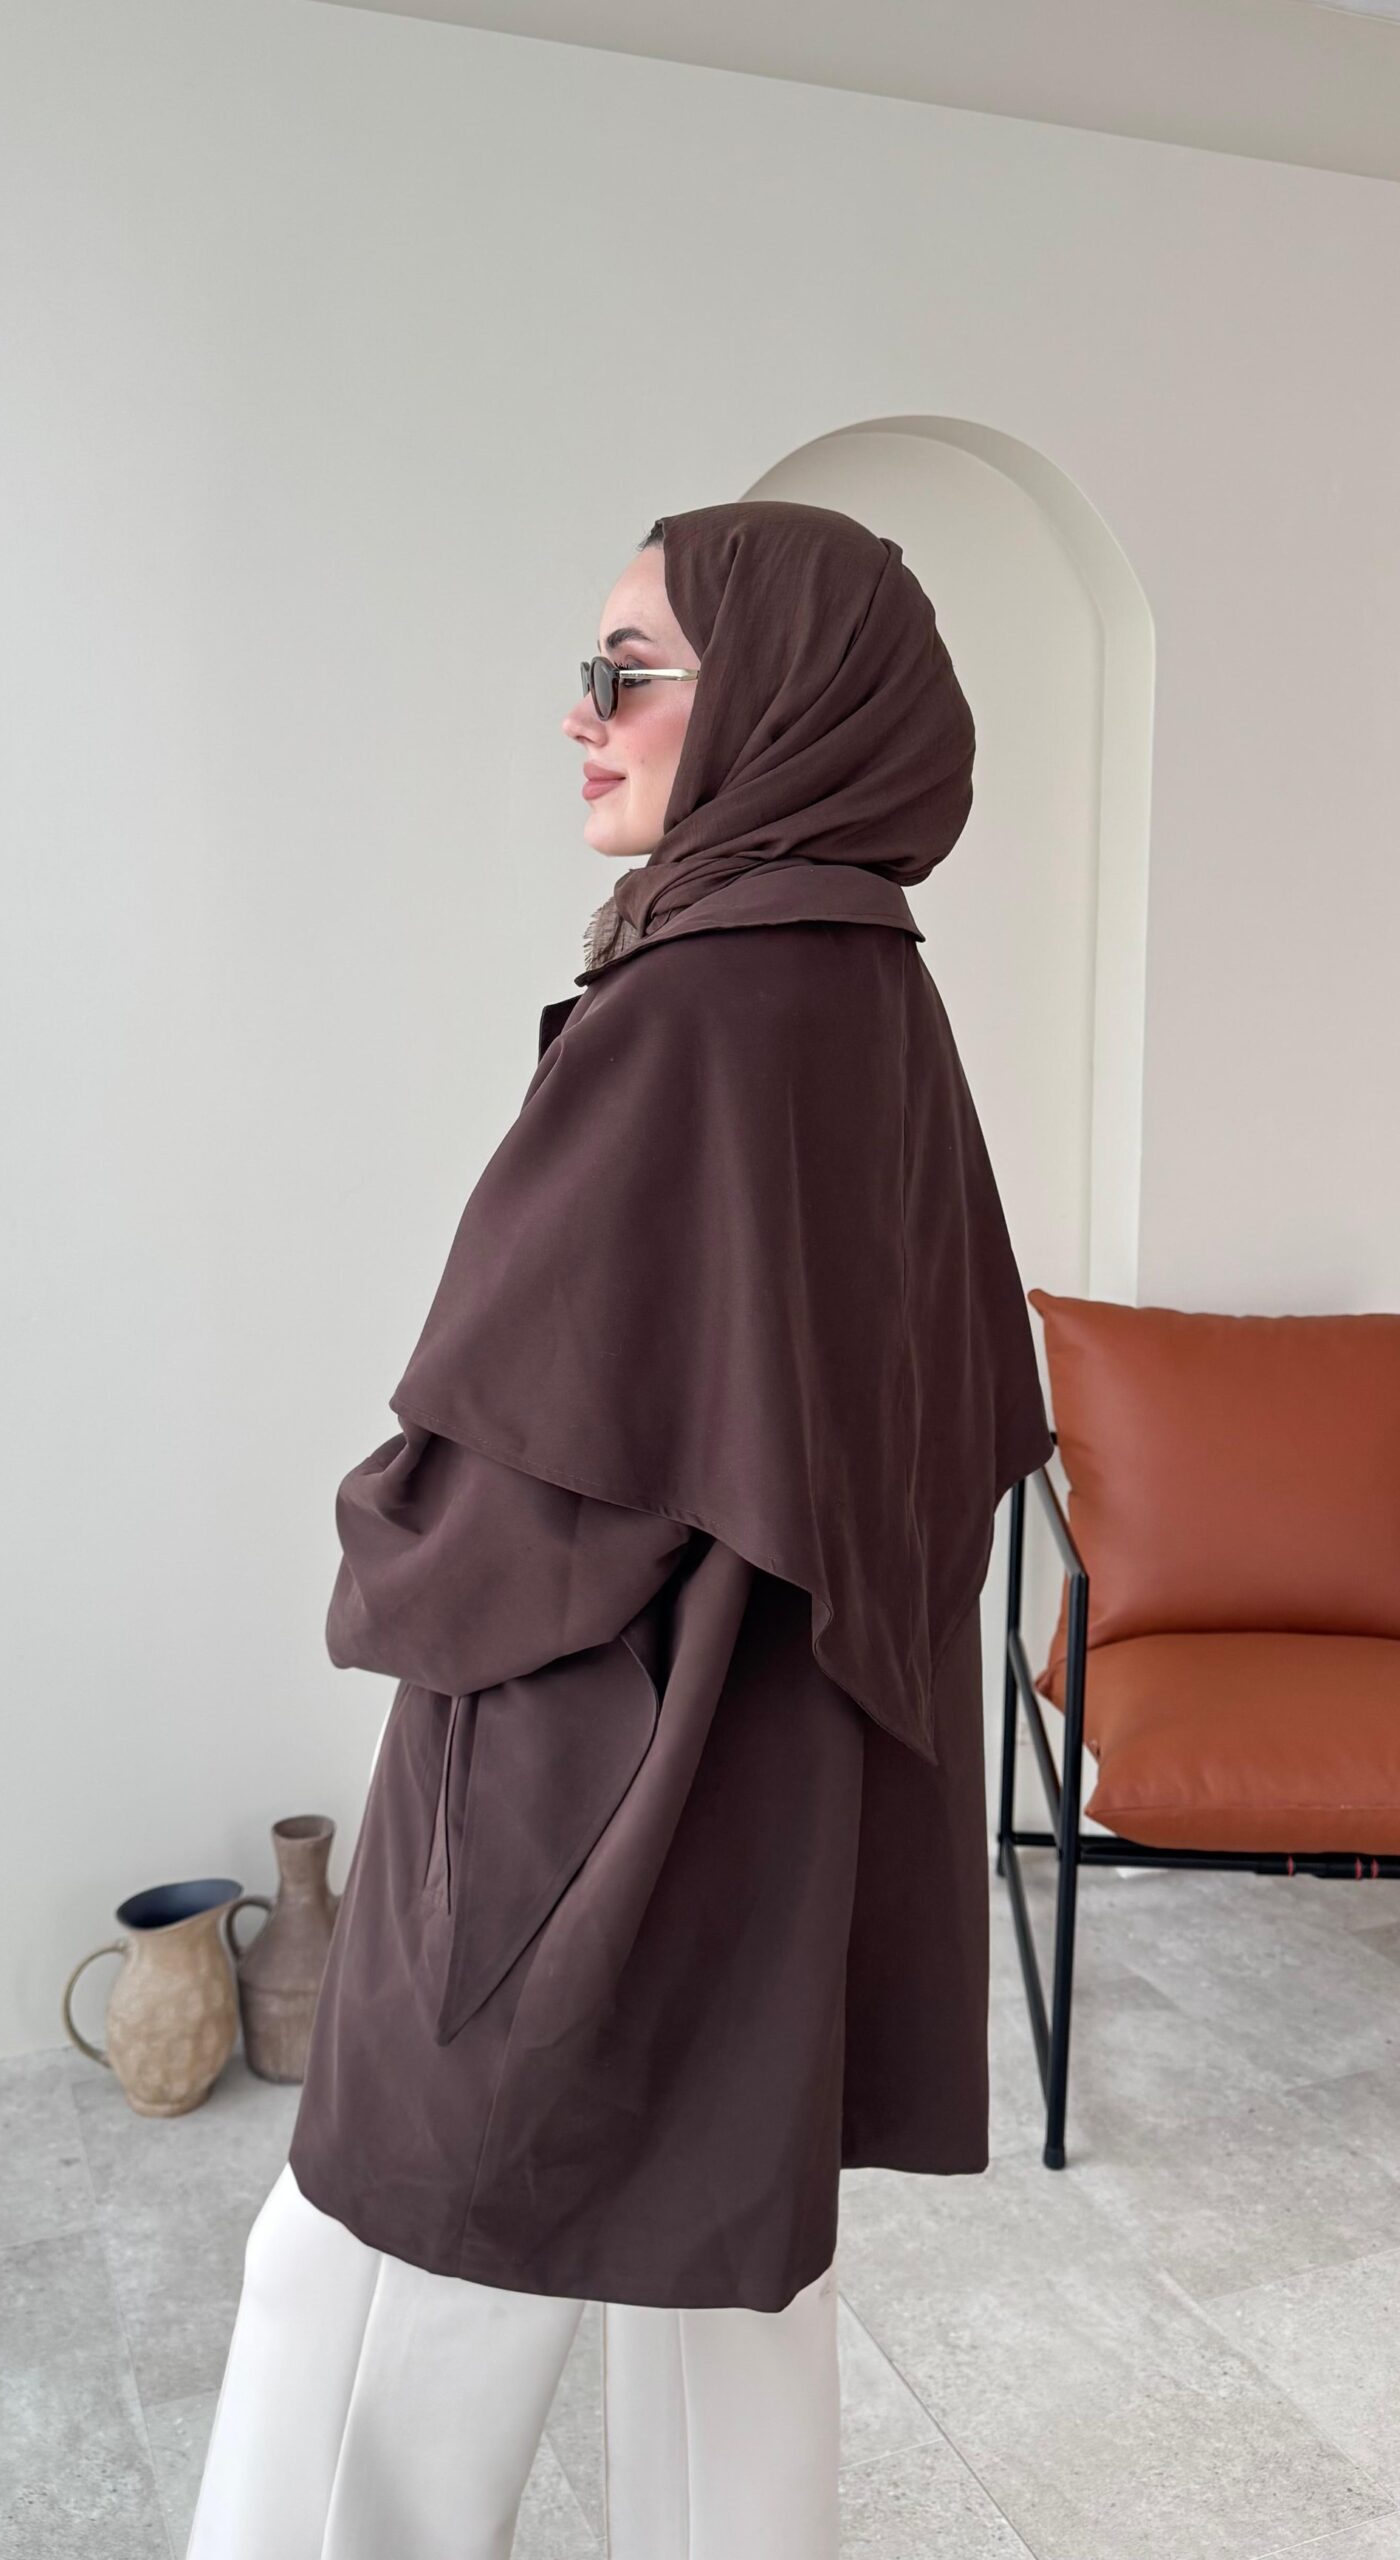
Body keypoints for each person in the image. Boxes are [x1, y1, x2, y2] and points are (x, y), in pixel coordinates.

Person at [186, 500, 1054, 2560]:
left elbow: (529, 1478)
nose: (580, 715)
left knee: (376, 2263)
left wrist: (384, 1537)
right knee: (724, 2296)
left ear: (783, 697)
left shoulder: (697, 1010)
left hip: (589, 1786)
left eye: (629, 670)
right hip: (777, 1787)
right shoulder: (873, 999)